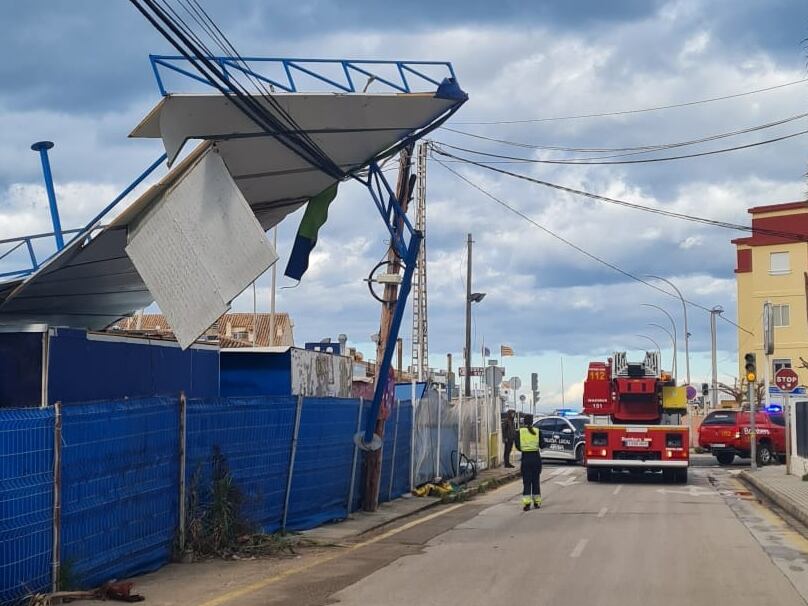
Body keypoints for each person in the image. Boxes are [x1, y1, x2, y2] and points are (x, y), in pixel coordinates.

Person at [514, 413, 542, 511]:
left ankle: (527, 504)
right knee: (535, 481)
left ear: (524, 422)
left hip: (525, 458)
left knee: (526, 482)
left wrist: (524, 449)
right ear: (532, 421)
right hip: (536, 458)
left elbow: (517, 445)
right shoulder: (538, 431)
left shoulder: (520, 432)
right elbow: (543, 445)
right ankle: (537, 503)